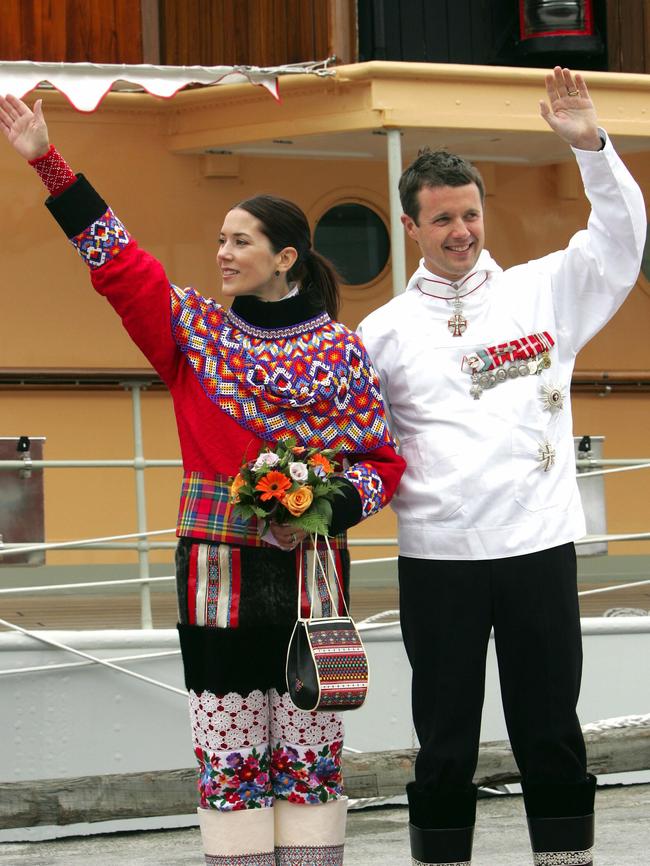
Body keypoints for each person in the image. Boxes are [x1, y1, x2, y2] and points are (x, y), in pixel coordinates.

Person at [0, 93, 406, 866]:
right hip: (213, 575)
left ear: (285, 256)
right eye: (219, 238)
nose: (222, 252)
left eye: (240, 240)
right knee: (228, 755)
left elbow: (382, 465)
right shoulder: (195, 332)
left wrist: (328, 508)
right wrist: (48, 162)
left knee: (312, 752)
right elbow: (119, 264)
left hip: (312, 578)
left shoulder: (346, 354)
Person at [358, 67, 646, 866]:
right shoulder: (381, 332)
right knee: (444, 737)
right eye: (443, 218)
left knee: (551, 728)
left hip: (539, 546)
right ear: (413, 225)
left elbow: (622, 242)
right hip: (439, 557)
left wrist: (589, 145)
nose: (461, 231)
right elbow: (349, 434)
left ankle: (566, 861)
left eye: (471, 213)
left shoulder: (544, 292)